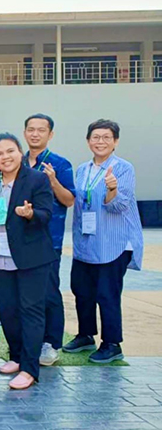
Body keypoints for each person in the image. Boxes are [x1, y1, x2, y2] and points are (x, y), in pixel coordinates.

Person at [64, 119, 143, 364]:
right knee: (81, 290)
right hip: (87, 242)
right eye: (96, 137)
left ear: (115, 142)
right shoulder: (83, 169)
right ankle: (86, 334)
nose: (101, 141)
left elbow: (120, 205)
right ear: (88, 141)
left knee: (107, 294)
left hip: (114, 242)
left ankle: (112, 343)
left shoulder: (123, 168)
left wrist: (112, 189)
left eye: (107, 137)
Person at [0, 133, 56, 390]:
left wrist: (30, 213)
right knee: (8, 310)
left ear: (20, 152)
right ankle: (16, 356)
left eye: (10, 151)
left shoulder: (36, 179)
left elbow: (47, 213)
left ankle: (29, 368)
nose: (5, 157)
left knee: (31, 311)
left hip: (31, 259)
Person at [23, 114, 75, 367]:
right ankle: (28, 342)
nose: (35, 134)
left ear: (50, 134)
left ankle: (51, 343)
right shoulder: (16, 162)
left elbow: (69, 200)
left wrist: (53, 180)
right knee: (24, 295)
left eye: (40, 130)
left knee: (48, 292)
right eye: (31, 129)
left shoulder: (60, 164)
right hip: (19, 240)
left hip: (48, 240)